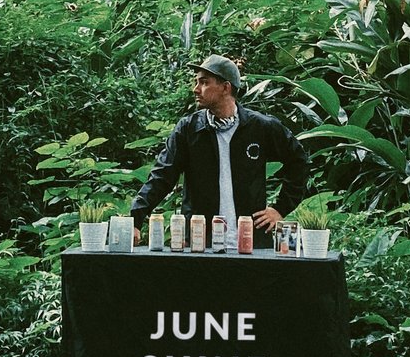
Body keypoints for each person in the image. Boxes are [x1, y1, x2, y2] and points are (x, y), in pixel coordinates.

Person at [130, 54, 310, 249]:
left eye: (204, 82)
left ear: (226, 87)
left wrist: (279, 209)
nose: (196, 89)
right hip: (201, 244)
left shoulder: (261, 127)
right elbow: (162, 176)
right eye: (196, 82)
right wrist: (135, 219)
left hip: (251, 243)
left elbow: (298, 161)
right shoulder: (189, 129)